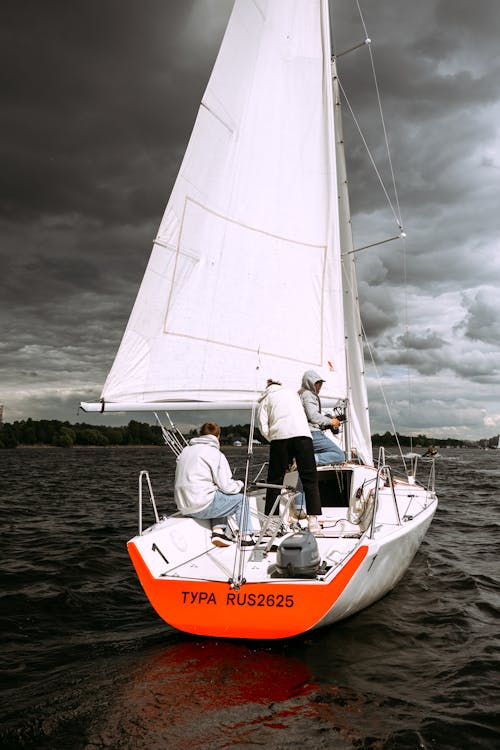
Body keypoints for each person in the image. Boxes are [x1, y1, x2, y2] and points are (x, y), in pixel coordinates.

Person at [257, 379, 323, 533]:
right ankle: (313, 521)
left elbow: (262, 425)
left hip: (280, 438)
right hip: (304, 437)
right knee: (310, 479)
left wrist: (273, 439)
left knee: (275, 481)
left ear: (267, 386)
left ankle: (272, 523)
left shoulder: (266, 398)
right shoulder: (293, 394)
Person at [174, 422, 254, 547]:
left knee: (218, 494)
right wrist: (241, 484)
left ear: (200, 435)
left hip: (183, 506)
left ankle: (218, 531)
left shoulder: (185, 451)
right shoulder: (215, 453)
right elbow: (227, 487)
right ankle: (246, 536)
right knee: (241, 500)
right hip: (201, 505)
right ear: (218, 436)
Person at [299, 370, 345, 465]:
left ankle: (305, 461)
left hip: (303, 434)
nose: (320, 387)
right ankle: (306, 460)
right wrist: (332, 421)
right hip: (312, 434)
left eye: (320, 385)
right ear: (311, 383)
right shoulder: (308, 394)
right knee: (339, 455)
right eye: (318, 384)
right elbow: (313, 417)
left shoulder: (300, 394)